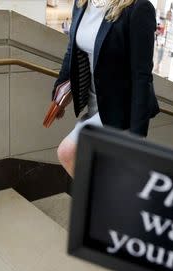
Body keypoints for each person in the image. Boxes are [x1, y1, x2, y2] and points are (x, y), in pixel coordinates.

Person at [53, 0, 159, 177]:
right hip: (94, 101)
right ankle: (105, 202)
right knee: (102, 170)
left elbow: (142, 76)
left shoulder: (138, 8)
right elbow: (71, 50)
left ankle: (95, 202)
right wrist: (58, 95)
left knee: (67, 151)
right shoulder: (82, 3)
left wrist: (137, 136)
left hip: (120, 107)